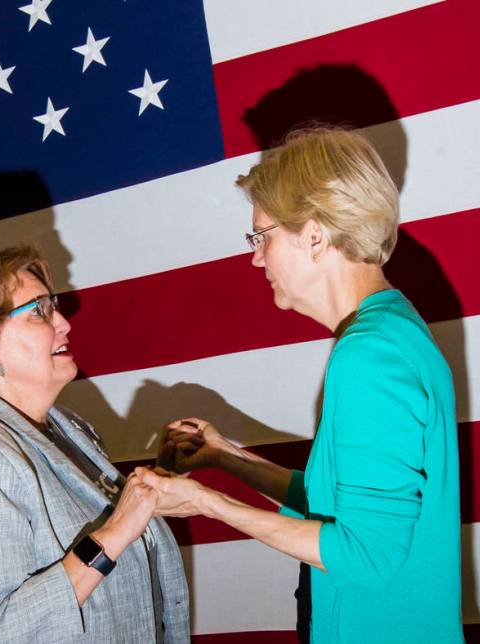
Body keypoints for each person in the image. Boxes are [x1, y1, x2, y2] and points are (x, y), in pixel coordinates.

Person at [138, 128, 463, 643]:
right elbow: (338, 502)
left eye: (261, 236)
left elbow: (367, 555)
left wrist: (206, 503)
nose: (256, 259)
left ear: (314, 235)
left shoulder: (369, 356)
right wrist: (228, 457)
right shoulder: (389, 331)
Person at [0, 246, 189, 643]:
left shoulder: (65, 428)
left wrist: (161, 477)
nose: (64, 323)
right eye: (38, 311)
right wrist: (114, 533)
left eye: (53, 306)